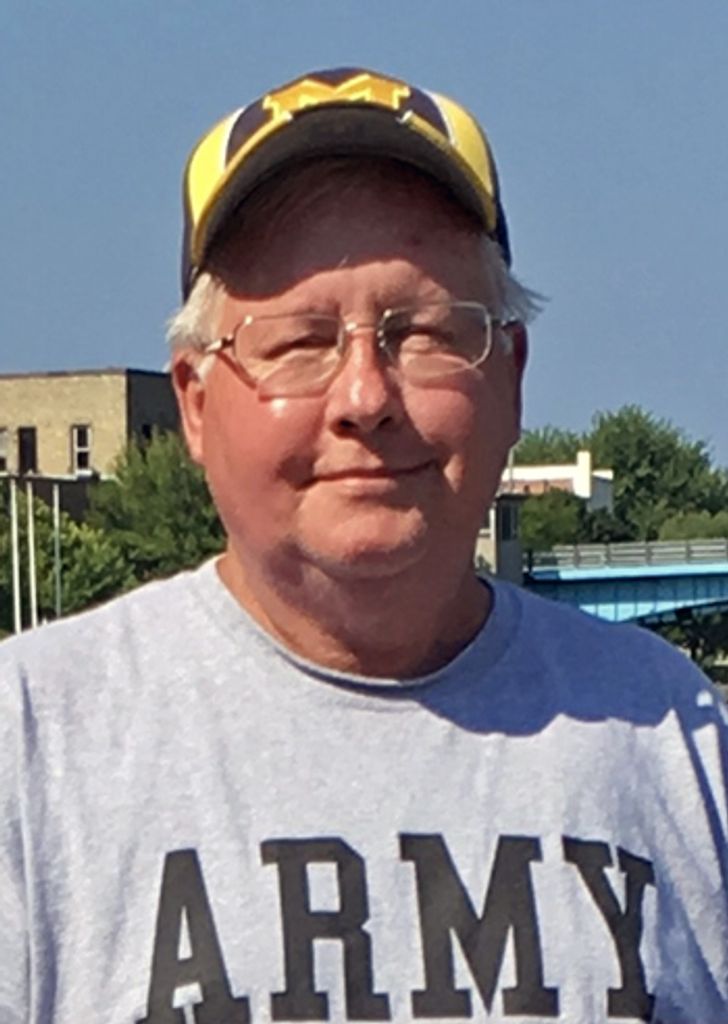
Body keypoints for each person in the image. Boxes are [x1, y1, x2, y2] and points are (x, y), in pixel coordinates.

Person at [1, 67, 727, 1024]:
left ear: (511, 377)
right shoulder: (33, 743)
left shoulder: (672, 731)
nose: (364, 397)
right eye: (299, 341)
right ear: (194, 403)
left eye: (424, 333)